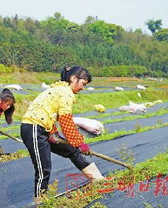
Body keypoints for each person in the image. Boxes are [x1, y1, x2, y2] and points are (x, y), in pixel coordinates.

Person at [20, 66, 105, 204]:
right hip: (33, 128)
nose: (83, 88)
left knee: (72, 151)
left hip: (44, 128)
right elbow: (66, 121)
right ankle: (41, 202)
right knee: (43, 168)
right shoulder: (65, 92)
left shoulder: (59, 90)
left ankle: (97, 179)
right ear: (73, 78)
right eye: (83, 84)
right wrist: (80, 143)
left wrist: (53, 133)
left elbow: (49, 112)